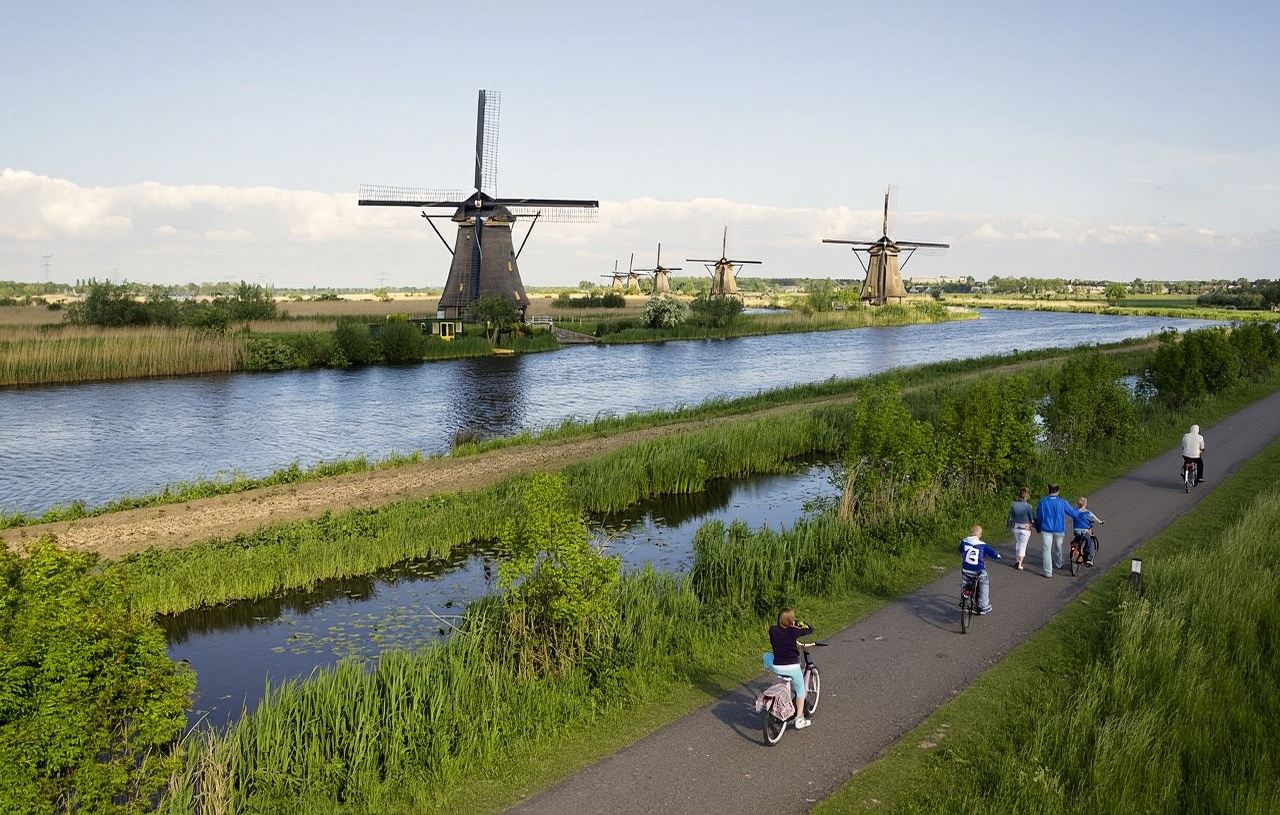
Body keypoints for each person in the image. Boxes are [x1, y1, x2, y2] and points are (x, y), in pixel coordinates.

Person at [763, 608, 814, 729]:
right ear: (791, 620)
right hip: (792, 667)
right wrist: (798, 623)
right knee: (801, 691)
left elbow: (781, 633)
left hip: (777, 666)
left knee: (766, 655)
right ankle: (799, 719)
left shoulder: (773, 630)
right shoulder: (793, 632)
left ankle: (778, 678)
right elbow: (810, 629)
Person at [1035, 483, 1082, 578]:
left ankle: (1048, 572)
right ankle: (1058, 563)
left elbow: (1039, 516)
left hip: (1046, 528)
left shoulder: (1042, 502)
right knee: (1058, 547)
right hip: (1059, 529)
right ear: (1058, 491)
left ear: (1048, 490)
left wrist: (1039, 525)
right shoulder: (1062, 502)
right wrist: (1080, 511)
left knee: (1046, 550)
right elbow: (1072, 513)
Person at [960, 524, 1002, 614]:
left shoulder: (963, 542)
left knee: (966, 582)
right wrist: (997, 556)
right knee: (984, 582)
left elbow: (960, 550)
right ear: (979, 535)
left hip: (966, 569)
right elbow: (993, 553)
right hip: (978, 570)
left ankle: (965, 600)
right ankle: (984, 605)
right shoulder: (983, 545)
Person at [1071, 497, 1105, 567]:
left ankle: (1074, 547)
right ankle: (1088, 558)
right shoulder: (1088, 512)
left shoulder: (1074, 511)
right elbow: (1096, 519)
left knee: (1077, 539)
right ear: (1085, 504)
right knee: (1090, 541)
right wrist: (1101, 522)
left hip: (1076, 531)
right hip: (1084, 531)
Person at [1006, 486, 1035, 570]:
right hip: (1025, 528)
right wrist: (1033, 525)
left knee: (1018, 542)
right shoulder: (1029, 506)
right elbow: (1032, 518)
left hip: (1016, 527)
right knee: (1023, 545)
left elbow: (1010, 517)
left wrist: (1009, 526)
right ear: (1027, 496)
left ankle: (1017, 559)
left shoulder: (1013, 504)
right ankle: (1019, 562)